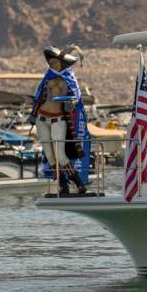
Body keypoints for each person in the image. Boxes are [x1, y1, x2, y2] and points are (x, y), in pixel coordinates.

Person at [30, 45, 87, 196]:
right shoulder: (47, 76)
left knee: (60, 155)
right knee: (49, 155)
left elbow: (77, 99)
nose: (52, 65)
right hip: (42, 118)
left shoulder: (70, 78)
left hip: (58, 119)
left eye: (55, 62)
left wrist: (72, 104)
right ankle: (62, 184)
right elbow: (39, 96)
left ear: (62, 63)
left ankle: (78, 182)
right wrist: (33, 114)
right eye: (51, 62)